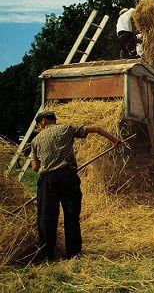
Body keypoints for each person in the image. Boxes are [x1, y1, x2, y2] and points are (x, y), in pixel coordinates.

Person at [30, 110, 121, 261]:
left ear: (44, 121)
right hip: (68, 178)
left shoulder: (36, 140)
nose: (41, 125)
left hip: (48, 180)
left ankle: (47, 255)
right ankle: (73, 253)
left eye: (40, 123)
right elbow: (97, 128)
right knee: (71, 215)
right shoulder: (67, 129)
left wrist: (46, 170)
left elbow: (34, 166)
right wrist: (115, 140)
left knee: (47, 218)